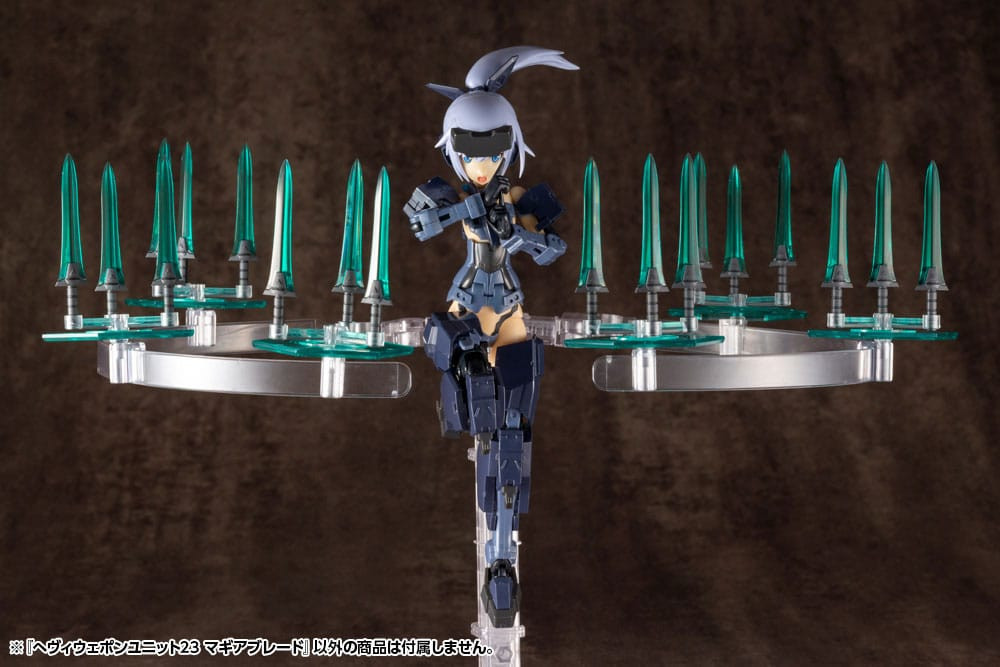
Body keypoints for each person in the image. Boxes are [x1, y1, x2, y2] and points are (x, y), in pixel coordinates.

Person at [404, 46, 577, 628]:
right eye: (471, 152)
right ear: (453, 148)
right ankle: (494, 537)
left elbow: (555, 248)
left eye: (493, 151)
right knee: (478, 408)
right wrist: (465, 211)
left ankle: (502, 552)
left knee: (514, 433)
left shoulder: (516, 201)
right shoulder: (458, 196)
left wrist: (525, 236)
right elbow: (419, 222)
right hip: (468, 307)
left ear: (510, 146)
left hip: (509, 308)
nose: (482, 164)